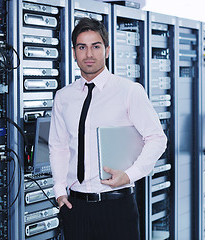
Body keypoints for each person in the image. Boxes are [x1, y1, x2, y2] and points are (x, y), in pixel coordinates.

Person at [49, 17, 167, 240]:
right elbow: (59, 146)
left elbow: (157, 139)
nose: (89, 54)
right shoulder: (64, 97)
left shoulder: (129, 91)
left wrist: (130, 175)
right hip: (76, 208)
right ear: (74, 52)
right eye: (82, 47)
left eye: (96, 46)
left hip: (116, 206)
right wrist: (59, 191)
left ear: (107, 50)